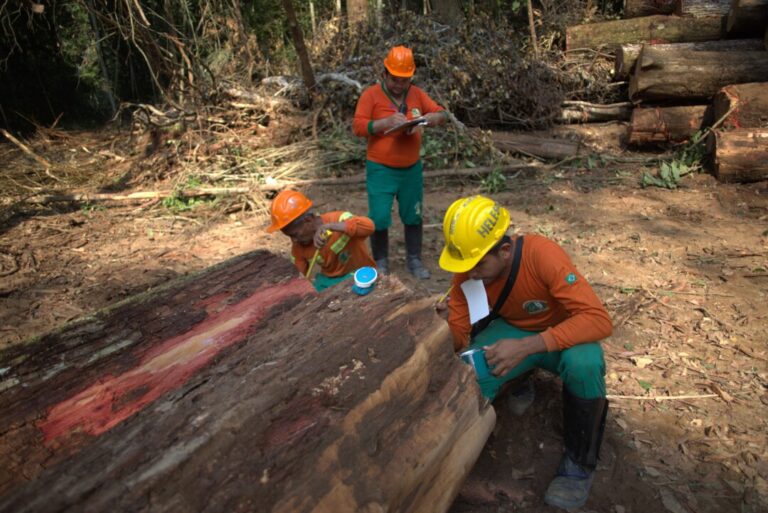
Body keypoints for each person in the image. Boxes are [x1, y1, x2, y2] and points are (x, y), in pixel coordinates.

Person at [438, 195, 613, 510]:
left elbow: (598, 320)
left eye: (478, 264)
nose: (470, 274)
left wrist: (528, 346)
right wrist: (441, 326)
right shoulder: (468, 273)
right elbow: (458, 340)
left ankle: (579, 462)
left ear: (504, 251)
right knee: (471, 367)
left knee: (585, 364)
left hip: (563, 334)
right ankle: (516, 383)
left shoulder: (541, 255)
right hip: (516, 330)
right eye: (465, 266)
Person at [352, 45, 449, 279]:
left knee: (413, 213)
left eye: (404, 80)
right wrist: (383, 124)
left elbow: (442, 113)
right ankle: (381, 261)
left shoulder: (416, 93)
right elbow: (358, 127)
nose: (399, 85)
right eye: (395, 79)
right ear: (385, 74)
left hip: (410, 169)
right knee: (379, 215)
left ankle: (414, 259)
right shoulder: (371, 95)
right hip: (381, 168)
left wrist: (431, 118)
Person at [267, 189, 376, 292]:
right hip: (328, 281)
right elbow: (298, 277)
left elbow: (369, 227)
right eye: (290, 236)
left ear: (308, 220)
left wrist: (332, 227)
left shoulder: (339, 219)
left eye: (295, 234)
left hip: (362, 276)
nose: (294, 240)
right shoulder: (299, 247)